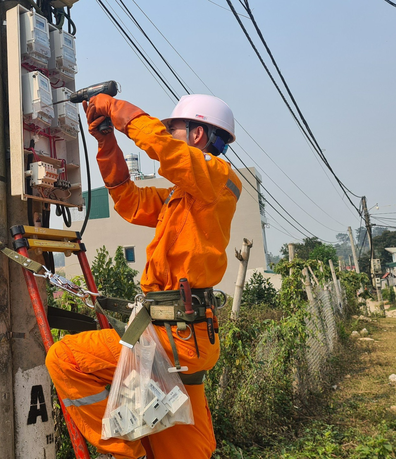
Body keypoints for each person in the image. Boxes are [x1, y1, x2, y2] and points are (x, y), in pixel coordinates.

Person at [46, 93, 242, 459]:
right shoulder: (186, 195)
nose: (168, 134)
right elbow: (130, 202)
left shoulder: (216, 178)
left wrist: (116, 110)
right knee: (184, 451)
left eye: (175, 129)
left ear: (198, 135)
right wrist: (107, 142)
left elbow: (163, 150)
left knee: (66, 358)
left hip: (176, 338)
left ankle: (125, 450)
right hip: (179, 333)